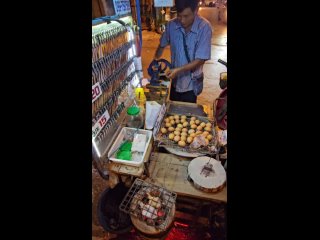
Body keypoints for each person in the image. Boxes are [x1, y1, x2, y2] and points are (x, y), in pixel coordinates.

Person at [154, 0, 212, 103]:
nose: (182, 20)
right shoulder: (171, 25)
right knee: (172, 111)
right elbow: (162, 45)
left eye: (186, 16)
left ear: (196, 10)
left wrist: (178, 70)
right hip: (175, 82)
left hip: (191, 84)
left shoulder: (204, 28)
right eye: (179, 15)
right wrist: (155, 61)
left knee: (187, 114)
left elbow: (200, 60)